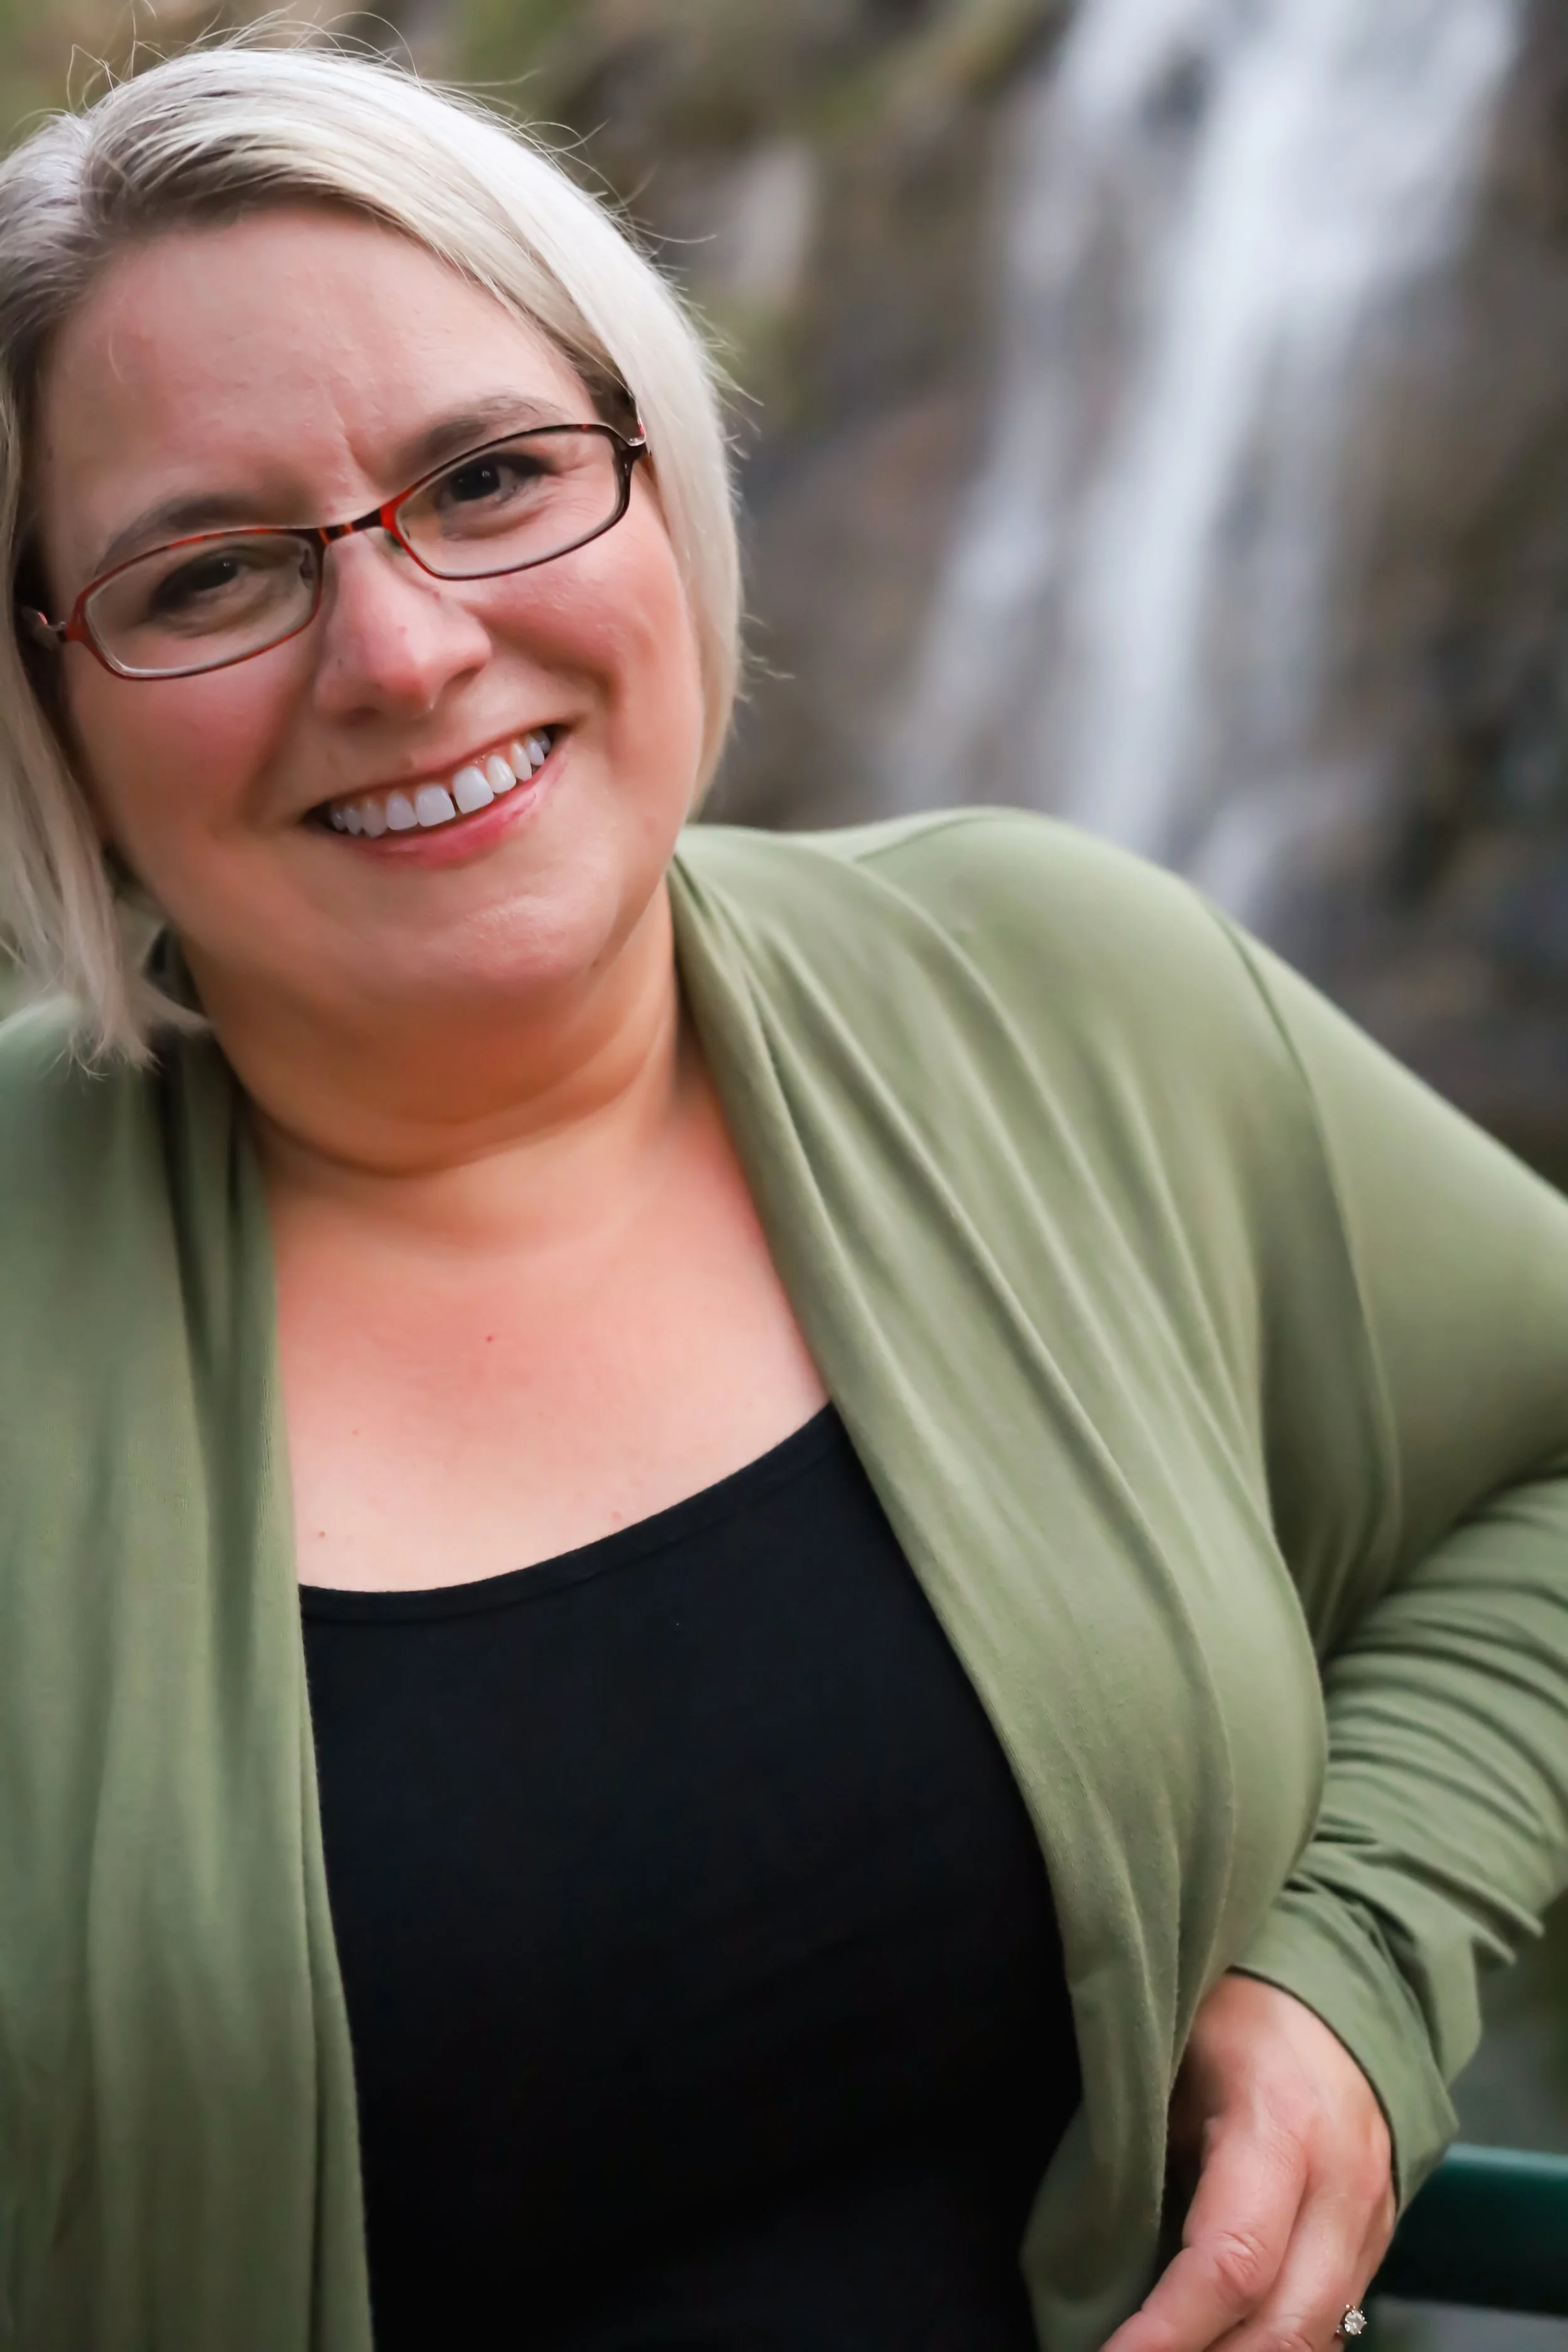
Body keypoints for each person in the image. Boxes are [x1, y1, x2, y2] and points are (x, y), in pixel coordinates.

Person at [0, 39, 1565, 2352]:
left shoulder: (1059, 997)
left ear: (661, 485)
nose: (408, 651)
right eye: (210, 571)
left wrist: (1356, 1949)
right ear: (54, 707)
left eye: (494, 474)